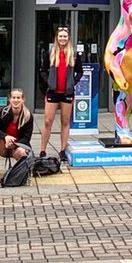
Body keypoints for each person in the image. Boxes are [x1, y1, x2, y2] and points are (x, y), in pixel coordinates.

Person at [38, 26, 84, 162]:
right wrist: (49, 82)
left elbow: (80, 71)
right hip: (53, 92)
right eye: (60, 36)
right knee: (48, 121)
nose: (62, 38)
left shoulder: (74, 54)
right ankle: (42, 150)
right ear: (56, 38)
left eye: (65, 36)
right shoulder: (51, 52)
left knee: (65, 121)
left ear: (68, 38)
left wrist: (73, 82)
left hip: (67, 93)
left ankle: (63, 150)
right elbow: (42, 70)